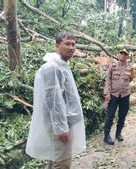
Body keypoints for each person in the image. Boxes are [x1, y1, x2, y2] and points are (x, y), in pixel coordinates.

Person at [25, 32, 86, 169]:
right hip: (58, 123)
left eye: (73, 44)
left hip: (63, 121)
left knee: (56, 157)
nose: (71, 47)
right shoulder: (52, 67)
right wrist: (61, 128)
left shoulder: (61, 65)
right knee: (62, 161)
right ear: (57, 45)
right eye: (67, 44)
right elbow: (54, 100)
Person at [103, 49, 133, 145]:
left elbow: (131, 78)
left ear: (127, 57)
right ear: (118, 55)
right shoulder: (113, 66)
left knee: (122, 115)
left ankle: (118, 133)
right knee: (110, 115)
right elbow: (108, 79)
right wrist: (107, 93)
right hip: (113, 94)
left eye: (125, 54)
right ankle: (106, 136)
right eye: (121, 54)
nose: (123, 56)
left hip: (125, 95)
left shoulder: (130, 68)